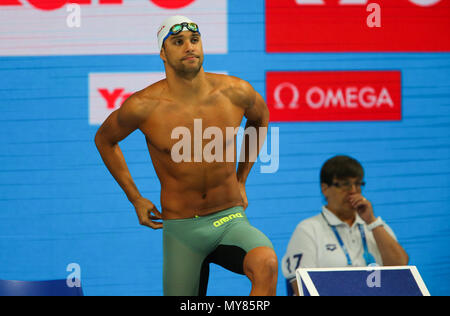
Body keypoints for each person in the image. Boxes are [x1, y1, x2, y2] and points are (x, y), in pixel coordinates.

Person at [94, 15, 277, 296]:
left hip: (229, 219)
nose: (189, 47)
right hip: (182, 230)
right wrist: (136, 198)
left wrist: (241, 179)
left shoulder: (235, 92)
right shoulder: (144, 106)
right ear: (163, 53)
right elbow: (105, 140)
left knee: (266, 263)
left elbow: (260, 119)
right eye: (178, 42)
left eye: (194, 40)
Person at [282, 155, 409, 296]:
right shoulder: (308, 229)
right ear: (325, 188)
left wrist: (372, 221)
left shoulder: (374, 226)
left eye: (358, 184)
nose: (353, 191)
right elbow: (301, 288)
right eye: (345, 184)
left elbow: (400, 268)